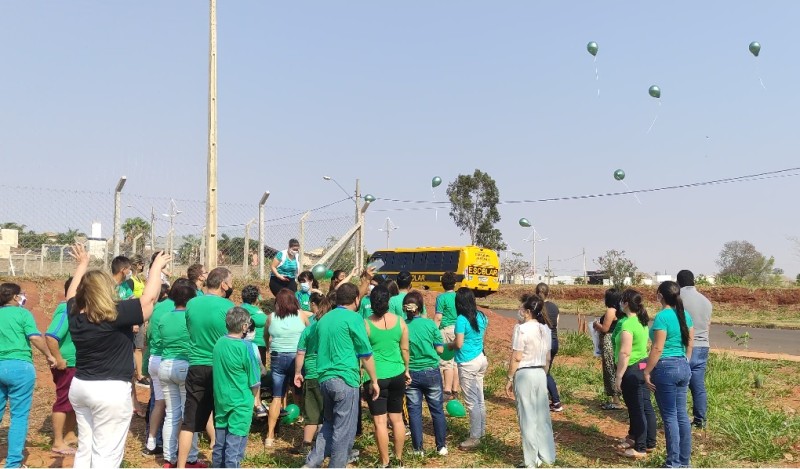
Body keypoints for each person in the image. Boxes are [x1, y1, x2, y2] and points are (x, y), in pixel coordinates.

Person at [66, 245, 168, 468]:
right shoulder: (115, 314)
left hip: (81, 386)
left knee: (86, 447)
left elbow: (70, 294)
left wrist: (82, 264)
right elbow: (149, 300)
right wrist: (156, 268)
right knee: (106, 453)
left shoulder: (75, 313)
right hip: (109, 391)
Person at [305, 283, 381, 469]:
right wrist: (374, 380)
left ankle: (311, 463)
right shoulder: (354, 318)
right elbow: (365, 353)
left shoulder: (323, 320)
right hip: (346, 379)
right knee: (343, 430)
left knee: (329, 425)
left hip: (324, 379)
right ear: (356, 299)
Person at [177, 267, 236, 468]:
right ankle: (219, 462)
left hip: (195, 365)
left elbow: (189, 329)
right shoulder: (228, 306)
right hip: (220, 368)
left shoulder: (192, 303)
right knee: (221, 417)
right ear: (223, 284)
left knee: (189, 421)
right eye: (231, 282)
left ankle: (181, 464)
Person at [0, 282, 57, 468]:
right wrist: (49, 355)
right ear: (15, 297)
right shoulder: (23, 314)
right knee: (19, 416)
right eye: (21, 294)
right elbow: (34, 337)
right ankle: (13, 464)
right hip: (20, 368)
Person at [644, 281, 694, 468]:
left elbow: (657, 348)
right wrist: (685, 362)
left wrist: (647, 371)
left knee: (670, 416)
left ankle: (672, 463)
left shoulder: (662, 317)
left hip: (665, 367)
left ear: (661, 296)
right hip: (682, 365)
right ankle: (684, 462)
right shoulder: (685, 315)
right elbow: (690, 343)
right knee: (681, 414)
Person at [504, 293, 556, 468]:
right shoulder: (545, 329)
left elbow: (517, 356)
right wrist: (544, 373)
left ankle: (531, 460)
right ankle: (547, 456)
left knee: (527, 417)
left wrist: (510, 378)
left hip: (524, 373)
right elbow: (547, 357)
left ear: (527, 311)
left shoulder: (521, 329)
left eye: (521, 308)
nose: (519, 311)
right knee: (542, 416)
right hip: (540, 373)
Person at [364, 285, 410, 467]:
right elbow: (405, 348)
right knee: (397, 419)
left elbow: (363, 354)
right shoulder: (400, 321)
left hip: (376, 377)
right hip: (397, 373)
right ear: (388, 301)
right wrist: (406, 369)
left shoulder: (366, 324)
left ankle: (385, 462)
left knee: (380, 422)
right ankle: (398, 459)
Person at [211, 307, 262, 468]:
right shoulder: (246, 347)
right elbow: (254, 380)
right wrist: (256, 400)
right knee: (234, 448)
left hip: (221, 399)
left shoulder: (219, 343)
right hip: (241, 402)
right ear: (244, 327)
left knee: (220, 445)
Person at [158, 280, 199, 467]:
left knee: (171, 414)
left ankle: (169, 457)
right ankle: (190, 457)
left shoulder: (165, 316)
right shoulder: (191, 317)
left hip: (165, 365)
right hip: (185, 365)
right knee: (189, 416)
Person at [264, 288, 312, 446]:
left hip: (278, 357)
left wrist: (269, 348)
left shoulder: (271, 317)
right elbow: (310, 332)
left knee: (277, 397)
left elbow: (266, 336)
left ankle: (270, 436)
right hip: (296, 357)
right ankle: (299, 418)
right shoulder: (300, 315)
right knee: (298, 388)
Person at [613, 289, 656, 459]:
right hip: (643, 365)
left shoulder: (627, 324)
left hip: (631, 369)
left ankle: (640, 447)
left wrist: (618, 376)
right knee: (645, 406)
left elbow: (625, 352)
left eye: (621, 301)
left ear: (625, 303)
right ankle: (649, 442)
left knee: (637, 410)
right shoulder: (642, 320)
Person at [404, 291, 448, 456]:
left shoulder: (402, 326)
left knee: (414, 411)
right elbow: (440, 349)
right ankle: (441, 446)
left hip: (410, 373)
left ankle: (417, 448)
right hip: (431, 372)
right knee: (436, 409)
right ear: (420, 307)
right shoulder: (430, 325)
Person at [448, 287, 489, 451]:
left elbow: (458, 344)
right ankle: (481, 431)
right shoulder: (482, 316)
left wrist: (449, 345)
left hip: (467, 363)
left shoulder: (461, 319)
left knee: (472, 402)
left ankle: (474, 437)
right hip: (480, 359)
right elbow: (481, 338)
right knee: (480, 398)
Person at [293, 292, 333, 455]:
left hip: (312, 373)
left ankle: (307, 444)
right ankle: (328, 445)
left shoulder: (309, 329)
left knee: (311, 412)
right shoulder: (332, 327)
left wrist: (297, 372)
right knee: (329, 412)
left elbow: (300, 353)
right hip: (331, 372)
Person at [44, 277, 78, 455]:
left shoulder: (74, 310)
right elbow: (50, 335)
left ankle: (70, 434)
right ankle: (58, 441)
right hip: (67, 364)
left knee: (72, 401)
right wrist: (59, 358)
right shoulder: (65, 311)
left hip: (75, 363)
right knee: (63, 401)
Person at [677, 269, 712, 429]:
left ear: (678, 283)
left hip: (685, 347)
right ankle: (700, 420)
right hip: (703, 346)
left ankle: (680, 420)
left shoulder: (678, 300)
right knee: (698, 387)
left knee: (680, 386)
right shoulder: (706, 301)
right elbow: (708, 325)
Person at [535, 283, 563, 412]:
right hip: (554, 341)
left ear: (536, 293)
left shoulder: (537, 307)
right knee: (545, 371)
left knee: (542, 372)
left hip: (543, 343)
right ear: (548, 293)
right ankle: (554, 401)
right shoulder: (554, 307)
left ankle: (555, 401)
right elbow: (556, 325)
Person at [593, 288, 623, 410]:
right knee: (617, 368)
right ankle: (618, 396)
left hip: (608, 340)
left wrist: (596, 324)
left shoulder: (611, 310)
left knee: (609, 369)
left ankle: (615, 399)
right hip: (617, 340)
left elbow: (605, 328)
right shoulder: (621, 311)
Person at [435, 272, 460, 401]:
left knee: (445, 362)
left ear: (442, 284)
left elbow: (439, 317)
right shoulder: (458, 297)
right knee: (455, 361)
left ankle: (447, 390)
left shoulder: (441, 298)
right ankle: (455, 390)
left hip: (445, 330)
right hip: (458, 329)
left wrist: (433, 331)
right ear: (455, 284)